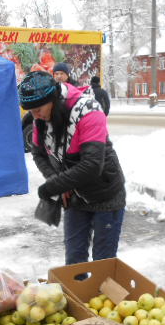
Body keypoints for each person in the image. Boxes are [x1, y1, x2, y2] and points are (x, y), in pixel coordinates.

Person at [19, 71, 126, 265]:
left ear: (53, 99)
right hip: (75, 196)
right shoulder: (40, 119)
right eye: (31, 111)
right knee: (74, 262)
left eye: (38, 109)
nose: (36, 116)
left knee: (103, 263)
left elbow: (92, 165)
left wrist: (53, 186)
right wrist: (56, 180)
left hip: (106, 193)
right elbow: (38, 153)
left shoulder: (89, 110)